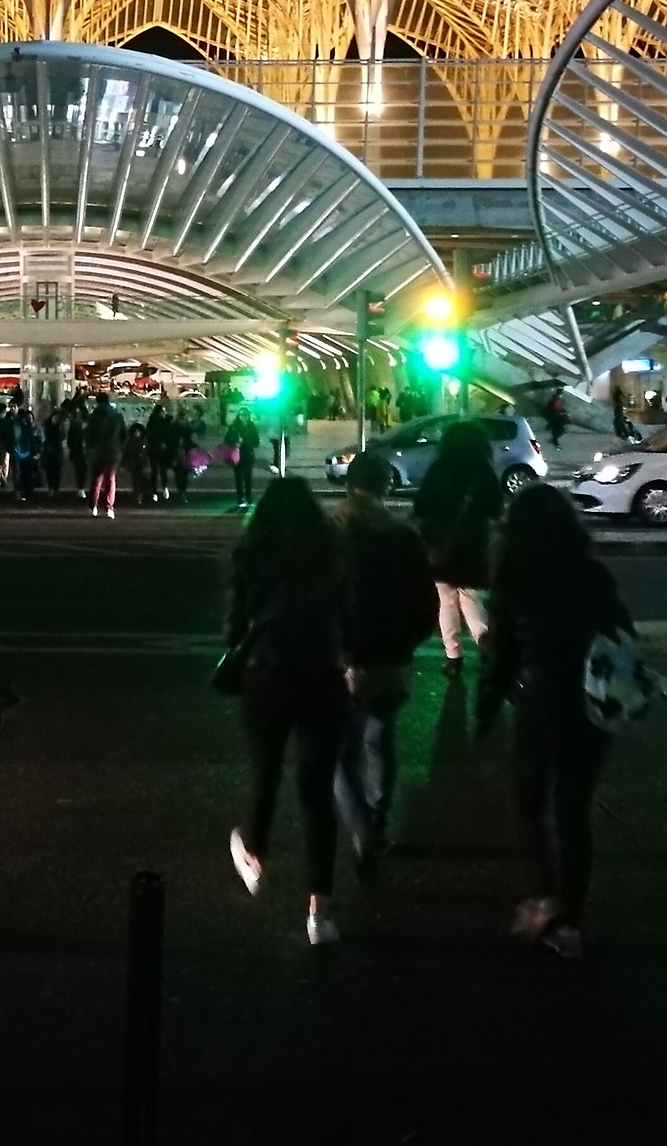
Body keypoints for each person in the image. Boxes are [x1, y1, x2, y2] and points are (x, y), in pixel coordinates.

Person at [474, 485, 632, 959]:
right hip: (590, 701)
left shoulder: (513, 575)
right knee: (573, 810)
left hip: (541, 700)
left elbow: (501, 653)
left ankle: (542, 894)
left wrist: (485, 710)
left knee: (528, 801)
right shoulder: (593, 575)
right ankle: (570, 921)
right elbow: (623, 633)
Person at [224, 476, 350, 945]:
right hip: (322, 675)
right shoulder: (331, 553)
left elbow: (234, 626)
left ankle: (254, 853)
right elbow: (349, 614)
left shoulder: (250, 554)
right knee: (317, 792)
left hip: (269, 673)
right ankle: (321, 909)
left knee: (266, 772)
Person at [334, 451, 438, 870]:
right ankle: (378, 817)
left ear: (348, 484)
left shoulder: (330, 531)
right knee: (381, 739)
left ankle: (363, 831)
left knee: (341, 753)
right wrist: (405, 644)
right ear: (387, 486)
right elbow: (426, 606)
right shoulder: (404, 537)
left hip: (342, 658)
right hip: (392, 657)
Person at [413, 419, 500, 677]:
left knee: (446, 602)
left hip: (440, 546)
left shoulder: (439, 469)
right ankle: (484, 641)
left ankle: (453, 657)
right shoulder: (483, 471)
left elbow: (421, 506)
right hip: (475, 546)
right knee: (472, 599)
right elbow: (496, 508)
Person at [84, 392, 124, 519]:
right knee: (110, 480)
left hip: (97, 451)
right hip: (113, 451)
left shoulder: (94, 416)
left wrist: (89, 448)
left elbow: (88, 435)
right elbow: (124, 435)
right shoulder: (117, 416)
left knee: (96, 480)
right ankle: (109, 507)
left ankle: (93, 506)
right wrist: (119, 448)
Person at [224, 403, 261, 508]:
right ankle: (240, 498)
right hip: (237, 455)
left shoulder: (252, 426)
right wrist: (234, 442)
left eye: (245, 414)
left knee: (248, 477)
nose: (243, 417)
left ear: (248, 416)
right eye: (241, 414)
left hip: (248, 454)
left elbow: (256, 441)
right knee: (238, 478)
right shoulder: (234, 427)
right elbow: (227, 440)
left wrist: (252, 443)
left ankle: (249, 497)